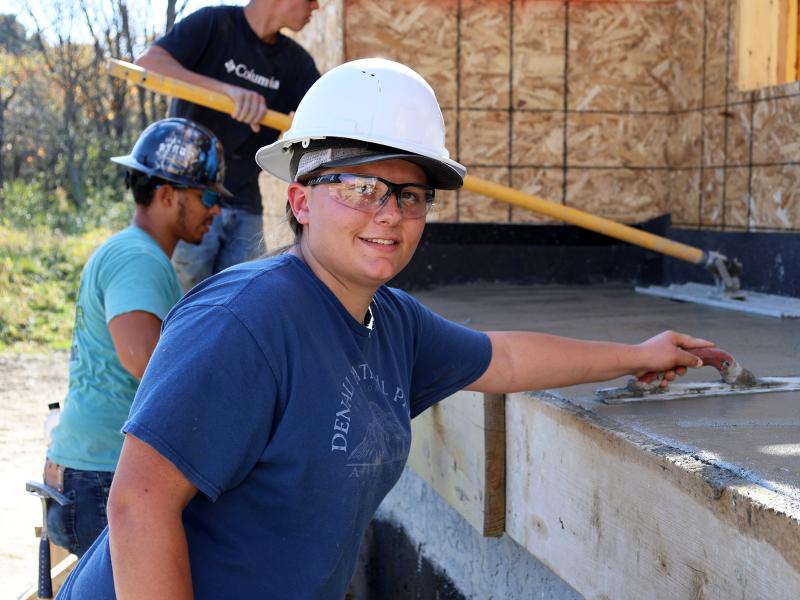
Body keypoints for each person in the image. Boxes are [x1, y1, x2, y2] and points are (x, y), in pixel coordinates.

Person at [56, 59, 713, 598]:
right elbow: (137, 505)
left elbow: (505, 359)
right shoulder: (245, 320)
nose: (390, 213)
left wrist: (639, 352)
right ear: (301, 199)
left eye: (409, 194)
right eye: (361, 187)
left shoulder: (389, 321)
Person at [44, 118, 228, 558]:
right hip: (104, 476)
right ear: (167, 195)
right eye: (206, 196)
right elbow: (144, 360)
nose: (215, 210)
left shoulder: (139, 255)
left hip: (98, 471)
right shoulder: (137, 258)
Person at [135, 0, 321, 292]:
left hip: (245, 202)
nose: (317, 6)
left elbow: (325, 118)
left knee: (242, 300)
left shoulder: (297, 64)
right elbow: (148, 63)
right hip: (189, 198)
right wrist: (225, 91)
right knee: (181, 303)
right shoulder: (214, 24)